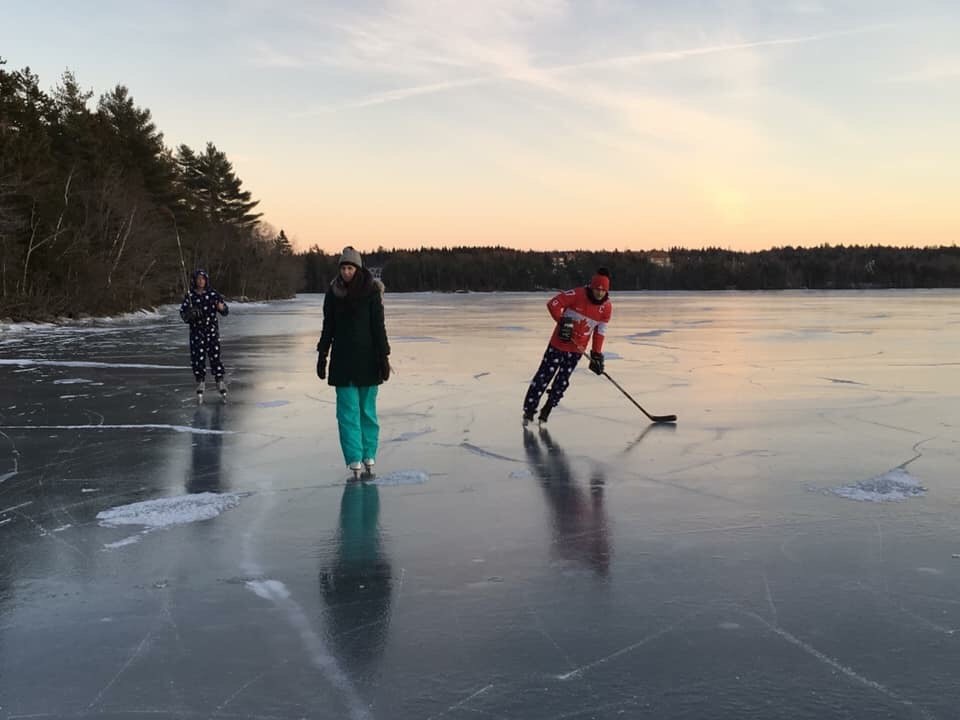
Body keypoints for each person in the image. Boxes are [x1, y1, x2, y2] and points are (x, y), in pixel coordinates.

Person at [316, 247, 391, 478]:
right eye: (343, 268)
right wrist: (322, 354)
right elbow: (328, 326)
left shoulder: (371, 292)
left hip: (368, 360)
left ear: (358, 269)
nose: (347, 272)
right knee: (347, 412)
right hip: (343, 361)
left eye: (350, 268)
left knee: (367, 411)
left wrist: (384, 356)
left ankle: (369, 454)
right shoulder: (333, 293)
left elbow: (378, 326)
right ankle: (354, 458)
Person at [522, 267, 612, 425]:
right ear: (591, 287)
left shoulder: (606, 307)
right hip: (557, 345)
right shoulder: (577, 294)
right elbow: (553, 304)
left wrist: (596, 354)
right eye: (597, 289)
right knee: (543, 376)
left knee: (562, 381)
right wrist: (562, 322)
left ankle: (547, 409)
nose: (599, 293)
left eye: (603, 290)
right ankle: (529, 410)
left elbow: (600, 331)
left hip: (576, 350)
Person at [179, 269, 229, 403]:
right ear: (194, 280)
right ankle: (200, 381)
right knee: (197, 357)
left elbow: (225, 311)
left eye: (203, 279)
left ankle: (220, 381)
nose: (200, 281)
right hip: (196, 332)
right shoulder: (190, 296)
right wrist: (189, 315)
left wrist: (221, 308)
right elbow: (183, 314)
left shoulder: (213, 294)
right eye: (198, 279)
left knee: (215, 356)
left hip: (211, 331)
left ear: (206, 280)